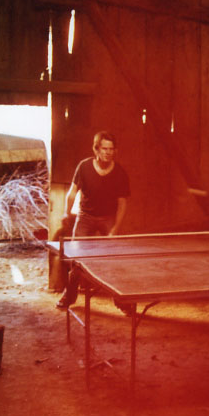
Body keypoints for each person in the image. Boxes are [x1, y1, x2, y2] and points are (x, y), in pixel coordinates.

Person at [56, 130, 130, 309]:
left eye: (111, 149)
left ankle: (121, 302)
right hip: (85, 217)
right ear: (96, 149)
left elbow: (122, 204)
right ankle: (69, 296)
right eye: (104, 148)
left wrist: (115, 228)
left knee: (114, 260)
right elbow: (72, 193)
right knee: (76, 259)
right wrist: (66, 214)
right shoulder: (84, 167)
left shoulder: (120, 173)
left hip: (108, 218)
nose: (108, 152)